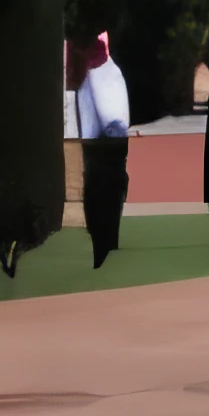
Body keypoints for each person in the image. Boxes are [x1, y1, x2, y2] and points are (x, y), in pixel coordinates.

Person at [71, 28, 134, 267]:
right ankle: (106, 239)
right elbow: (113, 120)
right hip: (105, 144)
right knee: (107, 185)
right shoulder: (101, 71)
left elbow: (111, 118)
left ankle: (103, 239)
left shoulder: (98, 72)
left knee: (100, 185)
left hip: (100, 144)